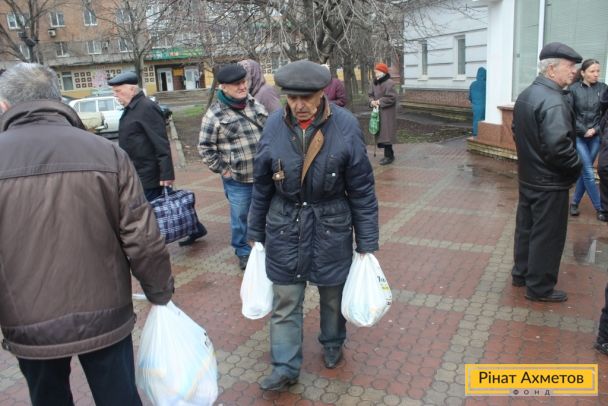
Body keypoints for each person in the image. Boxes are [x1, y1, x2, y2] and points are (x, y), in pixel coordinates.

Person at [0, 63, 174, 405]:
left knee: (48, 398)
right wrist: (160, 292)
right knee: (118, 397)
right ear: (57, 98)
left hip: (28, 321)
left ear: (5, 104)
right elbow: (143, 237)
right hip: (105, 312)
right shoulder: (106, 153)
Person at [248, 60, 379, 391]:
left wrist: (366, 242)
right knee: (285, 301)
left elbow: (362, 190)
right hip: (284, 225)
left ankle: (333, 342)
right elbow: (261, 184)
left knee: (332, 296)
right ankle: (284, 366)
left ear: (323, 93)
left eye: (306, 97)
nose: (299, 105)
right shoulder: (273, 126)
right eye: (292, 98)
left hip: (330, 226)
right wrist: (254, 232)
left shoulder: (345, 126)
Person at [511, 42, 582, 303]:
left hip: (529, 177)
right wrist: (577, 167)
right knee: (547, 235)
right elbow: (559, 148)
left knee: (527, 228)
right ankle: (539, 287)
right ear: (551, 69)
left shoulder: (527, 94)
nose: (574, 71)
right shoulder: (553, 100)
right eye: (569, 66)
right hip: (549, 182)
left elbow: (517, 132)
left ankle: (521, 274)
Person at [109, 71, 207, 246]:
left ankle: (152, 246)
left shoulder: (146, 107)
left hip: (150, 173)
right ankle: (196, 228)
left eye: (118, 91)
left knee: (150, 211)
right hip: (139, 170)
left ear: (131, 89)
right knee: (168, 203)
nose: (115, 95)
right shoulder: (133, 107)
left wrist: (166, 174)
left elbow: (161, 142)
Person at [199, 63, 267, 270]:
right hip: (238, 179)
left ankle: (263, 246)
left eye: (244, 82)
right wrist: (224, 170)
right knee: (241, 218)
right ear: (224, 87)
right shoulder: (214, 114)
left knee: (265, 213)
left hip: (264, 175)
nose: (242, 86)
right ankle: (243, 251)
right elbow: (205, 148)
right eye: (237, 84)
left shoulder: (253, 103)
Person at [567, 59, 608, 221]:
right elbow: (570, 114)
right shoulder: (573, 89)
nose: (596, 74)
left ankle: (574, 203)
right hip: (579, 137)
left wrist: (595, 130)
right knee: (589, 172)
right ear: (583, 73)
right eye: (592, 71)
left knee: (585, 171)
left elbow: (604, 114)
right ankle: (600, 208)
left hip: (596, 137)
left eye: (598, 71)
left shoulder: (603, 88)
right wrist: (584, 130)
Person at [369, 62, 398, 165]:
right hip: (377, 112)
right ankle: (389, 154)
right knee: (380, 132)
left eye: (377, 71)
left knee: (386, 134)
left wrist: (379, 101)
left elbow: (392, 97)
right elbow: (370, 95)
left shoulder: (390, 83)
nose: (375, 73)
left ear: (383, 72)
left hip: (387, 113)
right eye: (375, 72)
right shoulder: (374, 82)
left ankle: (389, 156)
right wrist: (371, 102)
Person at [469, 67, 487, 137]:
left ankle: (475, 133)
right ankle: (482, 134)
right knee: (483, 120)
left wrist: (473, 102)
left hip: (475, 106)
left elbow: (470, 96)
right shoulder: (487, 84)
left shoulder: (472, 84)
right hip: (484, 106)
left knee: (476, 120)